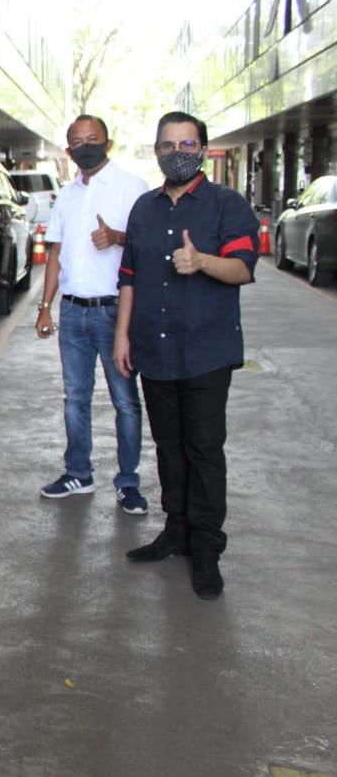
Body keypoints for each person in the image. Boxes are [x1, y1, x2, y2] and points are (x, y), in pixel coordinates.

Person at [113, 111, 259, 601]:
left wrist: (201, 262)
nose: (177, 152)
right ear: (156, 151)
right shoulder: (144, 209)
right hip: (153, 347)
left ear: (202, 148)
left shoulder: (226, 205)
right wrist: (122, 336)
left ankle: (207, 548)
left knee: (203, 449)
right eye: (168, 144)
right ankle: (176, 530)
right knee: (169, 447)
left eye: (187, 143)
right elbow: (128, 275)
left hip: (205, 349)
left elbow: (242, 269)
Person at [35, 115, 149, 515]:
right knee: (75, 398)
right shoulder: (66, 194)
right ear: (68, 150)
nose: (85, 146)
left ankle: (128, 481)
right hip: (73, 312)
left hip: (115, 311)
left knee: (124, 400)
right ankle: (78, 473)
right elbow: (54, 254)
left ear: (108, 143)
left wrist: (117, 237)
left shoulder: (131, 187)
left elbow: (149, 244)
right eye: (77, 141)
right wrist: (45, 306)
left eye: (93, 139)